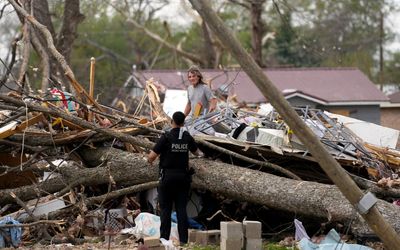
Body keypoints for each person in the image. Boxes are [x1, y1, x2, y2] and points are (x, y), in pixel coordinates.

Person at [147, 111, 204, 244]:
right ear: (183, 123)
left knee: (166, 209)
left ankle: (164, 239)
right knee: (181, 210)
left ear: (171, 121)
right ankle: (184, 240)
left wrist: (149, 160)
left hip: (167, 178)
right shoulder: (186, 136)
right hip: (183, 178)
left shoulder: (166, 137)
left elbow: (151, 157)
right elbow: (197, 153)